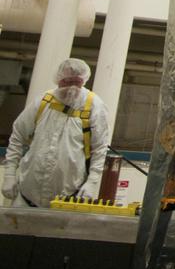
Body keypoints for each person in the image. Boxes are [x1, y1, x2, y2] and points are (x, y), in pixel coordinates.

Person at [2, 58, 109, 208]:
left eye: (76, 81)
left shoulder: (94, 105)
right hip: (26, 194)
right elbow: (18, 136)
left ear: (84, 80)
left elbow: (100, 148)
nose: (71, 86)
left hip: (68, 197)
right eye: (67, 81)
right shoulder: (43, 101)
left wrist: (92, 181)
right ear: (58, 79)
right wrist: (9, 174)